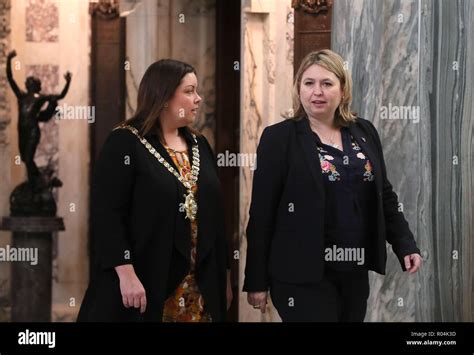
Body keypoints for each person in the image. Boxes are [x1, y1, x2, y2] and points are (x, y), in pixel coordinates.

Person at [243, 49, 422, 322]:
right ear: (299, 88)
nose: (318, 92)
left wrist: (405, 244)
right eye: (309, 83)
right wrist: (256, 280)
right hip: (300, 275)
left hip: (353, 268)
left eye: (327, 84)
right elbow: (261, 214)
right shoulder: (278, 139)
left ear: (342, 89)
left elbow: (384, 195)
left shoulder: (364, 131)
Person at [78, 59, 232, 322]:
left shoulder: (200, 144)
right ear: (163, 96)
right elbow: (108, 215)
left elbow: (217, 216)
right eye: (189, 91)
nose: (198, 99)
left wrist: (223, 277)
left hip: (200, 286)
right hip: (146, 281)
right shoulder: (125, 142)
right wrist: (126, 275)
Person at [6, 50, 71, 188]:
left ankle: (38, 181)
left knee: (29, 158)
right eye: (28, 82)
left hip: (32, 131)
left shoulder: (39, 97)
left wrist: (68, 82)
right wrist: (9, 60)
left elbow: (60, 96)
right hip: (22, 130)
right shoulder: (21, 96)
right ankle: (35, 183)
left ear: (35, 85)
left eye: (31, 82)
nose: (28, 83)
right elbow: (10, 78)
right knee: (25, 159)